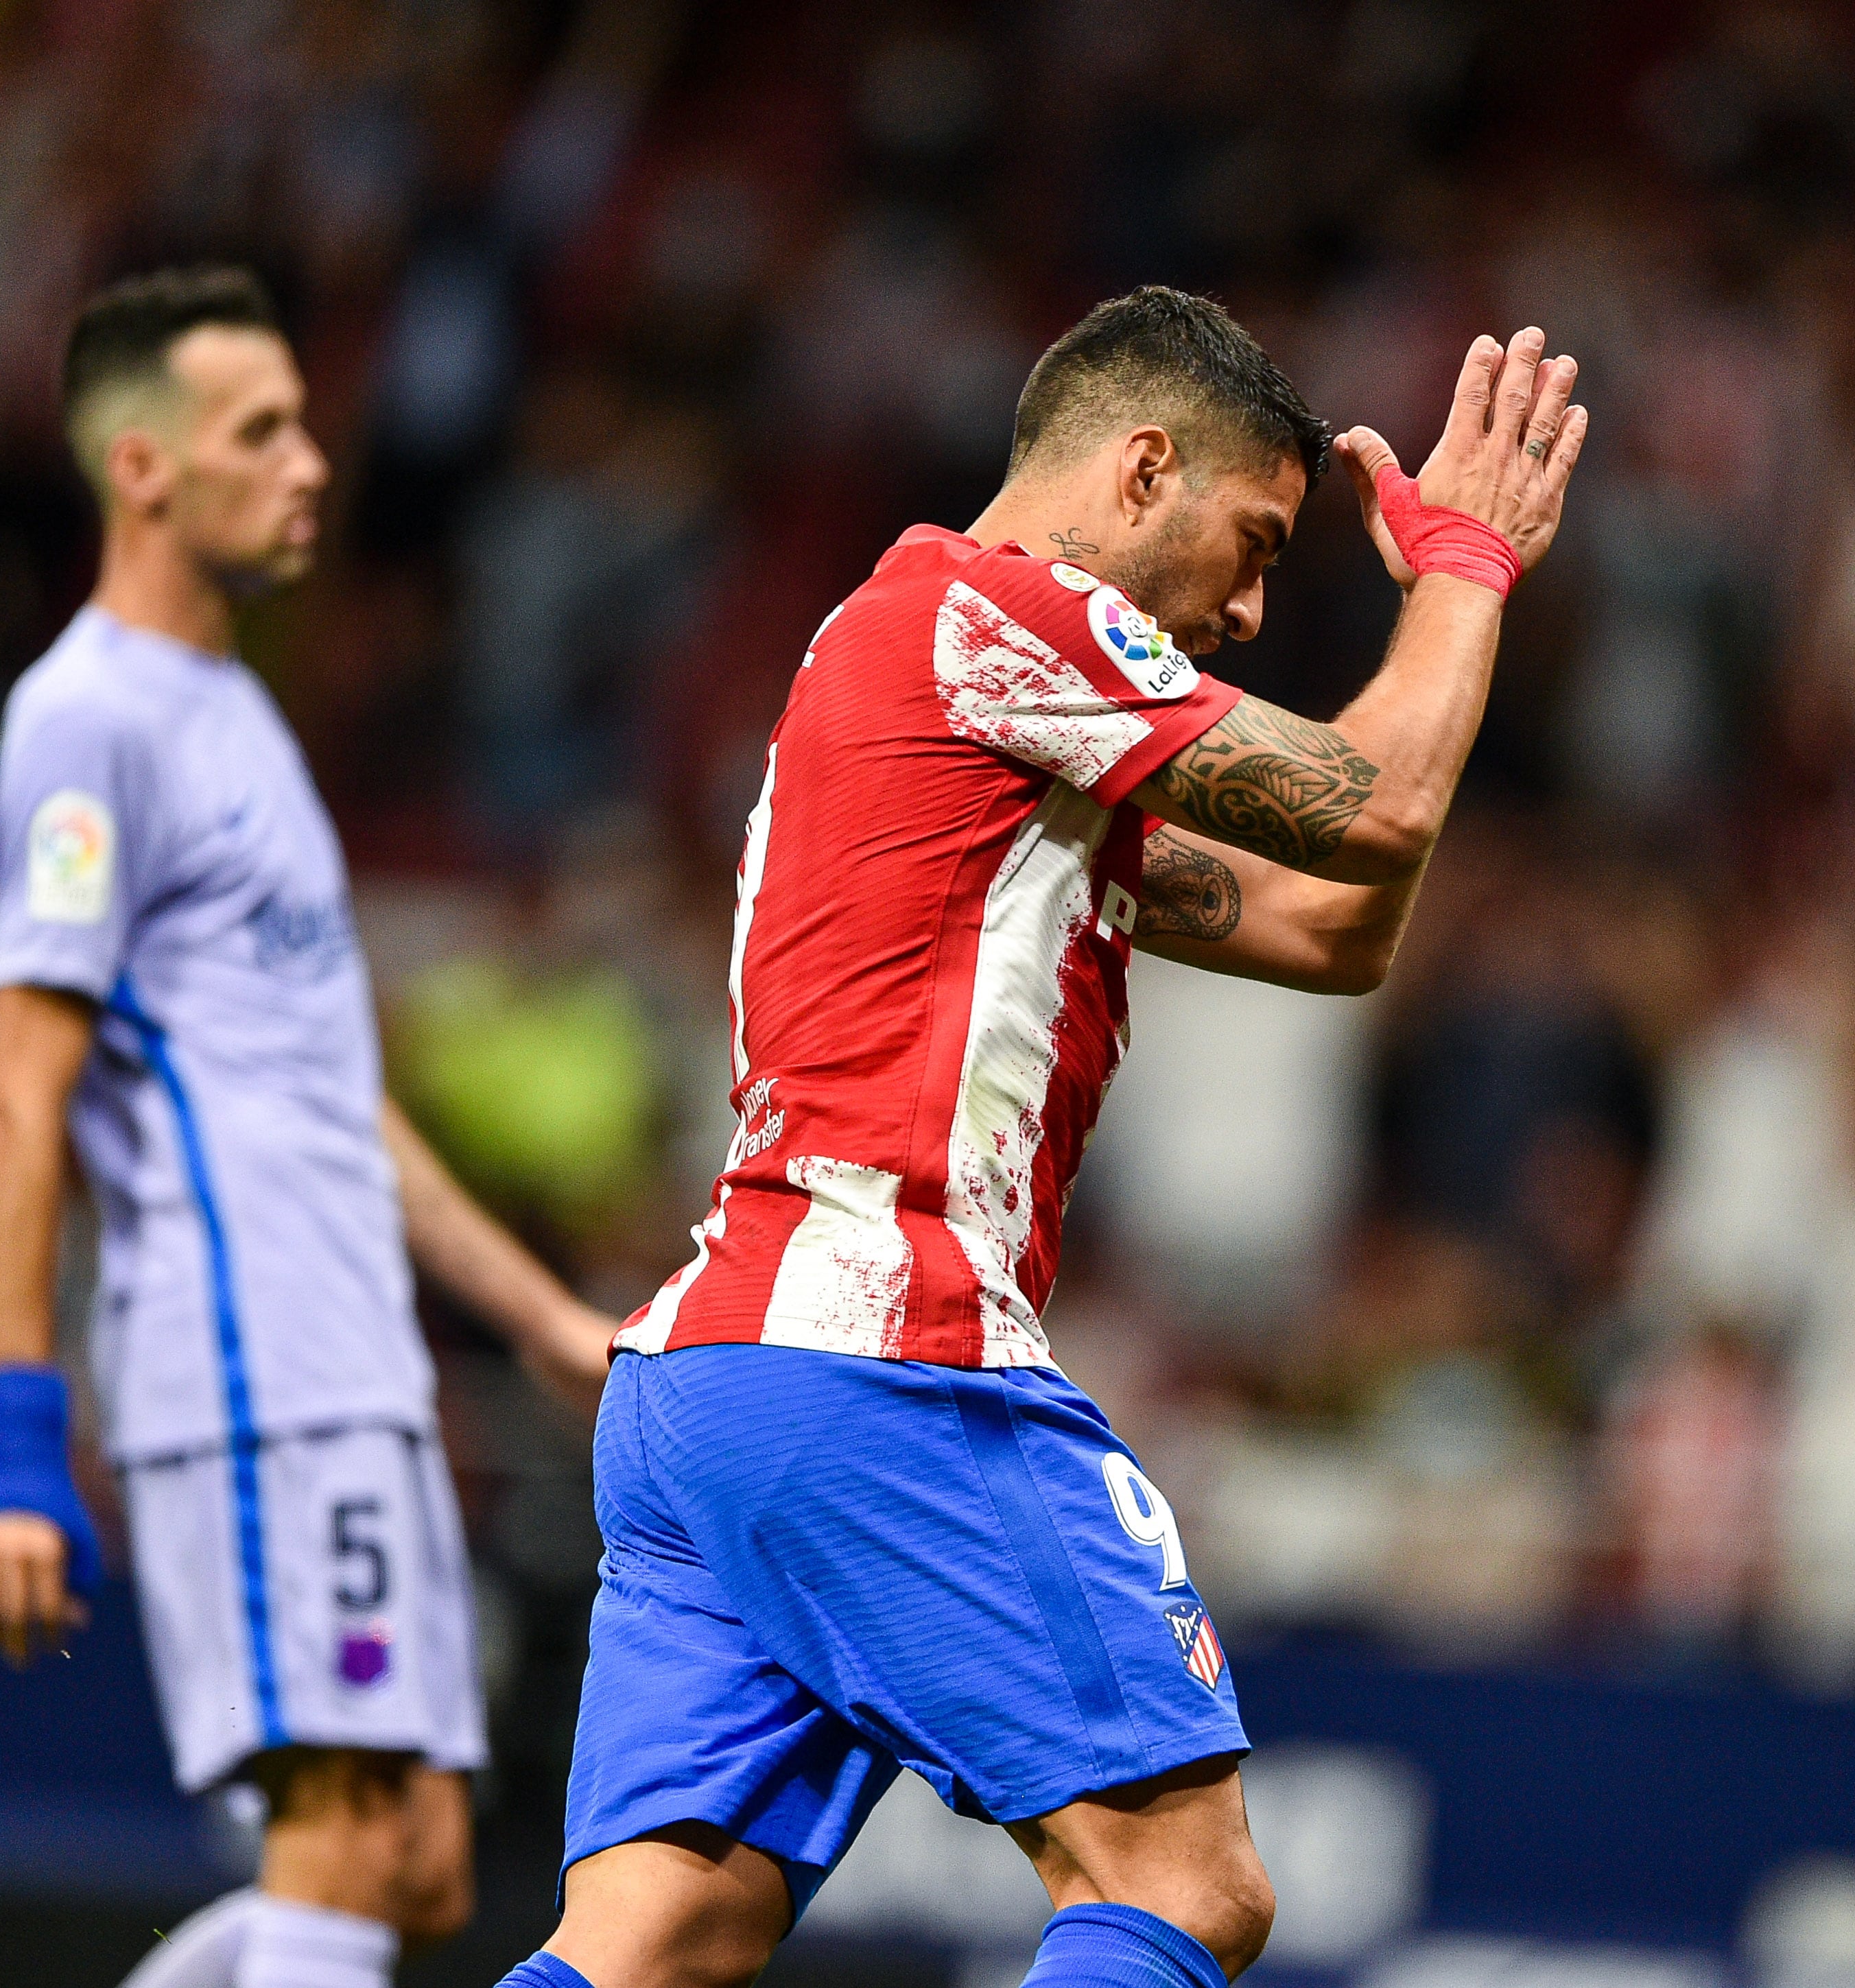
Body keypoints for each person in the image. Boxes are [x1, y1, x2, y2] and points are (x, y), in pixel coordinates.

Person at [501, 287, 1587, 1988]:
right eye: (1250, 545)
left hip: (716, 1371)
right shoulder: (998, 616)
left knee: (658, 1940)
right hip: (883, 1347)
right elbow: (1378, 806)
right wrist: (1465, 572)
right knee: (1181, 1882)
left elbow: (1332, 928)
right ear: (1141, 467)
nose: (1242, 608)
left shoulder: (974, 711)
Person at [0, 265, 617, 1988]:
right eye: (263, 430)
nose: (313, 462)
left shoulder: (237, 713)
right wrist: (19, 1435)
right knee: (342, 1838)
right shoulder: (85, 721)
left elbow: (330, 1095)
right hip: (252, 1372)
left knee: (410, 1863)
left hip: (351, 1362)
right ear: (145, 469)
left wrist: (533, 1315)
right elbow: (23, 1081)